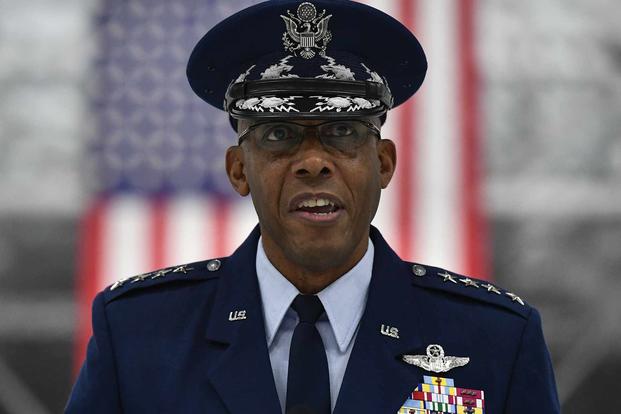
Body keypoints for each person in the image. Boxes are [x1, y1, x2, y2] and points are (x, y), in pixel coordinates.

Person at [66, 1, 560, 413]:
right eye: (278, 135)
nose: (314, 162)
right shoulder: (139, 335)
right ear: (239, 170)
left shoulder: (495, 340)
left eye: (342, 133)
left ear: (384, 164)